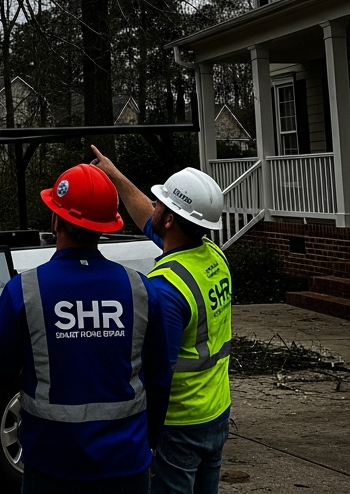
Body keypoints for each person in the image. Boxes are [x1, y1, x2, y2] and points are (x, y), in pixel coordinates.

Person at [0, 163, 173, 494]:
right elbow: (160, 378)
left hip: (51, 467)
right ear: (107, 226)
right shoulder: (141, 289)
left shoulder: (24, 290)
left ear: (55, 220)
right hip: (127, 465)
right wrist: (148, 441)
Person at [91, 148, 231, 494]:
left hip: (180, 422)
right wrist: (116, 176)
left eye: (160, 205)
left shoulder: (166, 289)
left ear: (169, 220)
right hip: (215, 411)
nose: (152, 207)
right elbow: (148, 220)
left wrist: (149, 434)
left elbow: (159, 373)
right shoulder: (213, 255)